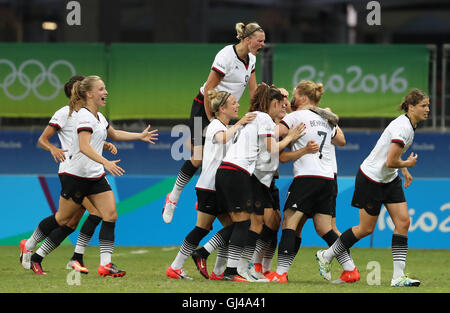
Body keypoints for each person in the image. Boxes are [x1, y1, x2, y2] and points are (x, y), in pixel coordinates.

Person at [25, 75, 159, 276]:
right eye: (101, 89)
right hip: (76, 177)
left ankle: (105, 264)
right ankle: (31, 247)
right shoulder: (83, 117)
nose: (105, 93)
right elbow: (84, 146)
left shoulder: (98, 117)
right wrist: (105, 161)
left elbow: (113, 134)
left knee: (110, 214)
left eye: (105, 89)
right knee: (63, 220)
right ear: (89, 94)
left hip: (95, 176)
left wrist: (139, 136)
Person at [316, 88, 429, 287]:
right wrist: (406, 165)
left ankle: (398, 277)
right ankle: (326, 255)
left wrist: (404, 171)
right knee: (365, 229)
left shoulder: (409, 125)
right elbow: (390, 160)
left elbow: (393, 158)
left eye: (428, 105)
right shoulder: (402, 127)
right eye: (423, 106)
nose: (427, 109)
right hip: (371, 179)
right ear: (411, 107)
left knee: (403, 222)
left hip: (389, 179)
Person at [162, 22, 266, 224]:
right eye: (259, 41)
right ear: (247, 39)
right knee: (199, 156)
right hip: (205, 107)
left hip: (227, 112)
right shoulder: (226, 56)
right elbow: (210, 88)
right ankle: (173, 197)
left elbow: (253, 92)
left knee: (221, 160)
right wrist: (212, 120)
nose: (262, 44)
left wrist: (258, 113)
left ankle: (205, 198)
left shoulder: (251, 59)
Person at [19, 75, 118, 275]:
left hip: (89, 172)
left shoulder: (91, 115)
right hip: (71, 172)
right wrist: (52, 149)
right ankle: (52, 251)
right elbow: (44, 139)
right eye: (78, 87)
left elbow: (87, 140)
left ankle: (40, 256)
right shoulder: (66, 113)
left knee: (71, 223)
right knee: (80, 216)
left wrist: (103, 145)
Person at [216, 84, 305, 282]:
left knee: (248, 223)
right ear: (273, 103)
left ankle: (240, 269)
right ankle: (236, 270)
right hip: (239, 173)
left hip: (231, 171)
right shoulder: (263, 118)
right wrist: (291, 136)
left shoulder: (252, 117)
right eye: (281, 104)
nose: (284, 107)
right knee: (248, 224)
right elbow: (272, 148)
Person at [166, 89, 256, 280]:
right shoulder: (215, 126)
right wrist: (240, 123)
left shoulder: (227, 126)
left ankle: (217, 271)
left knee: (234, 227)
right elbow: (222, 138)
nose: (238, 105)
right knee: (203, 228)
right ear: (222, 108)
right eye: (233, 103)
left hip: (220, 187)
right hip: (209, 187)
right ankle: (176, 266)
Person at [272, 80, 355, 283]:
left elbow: (274, 134)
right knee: (325, 228)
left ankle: (280, 273)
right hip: (327, 179)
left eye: (294, 94)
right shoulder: (325, 120)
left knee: (289, 223)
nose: (291, 98)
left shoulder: (296, 116)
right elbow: (342, 141)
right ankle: (350, 269)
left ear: (302, 97)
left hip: (307, 177)